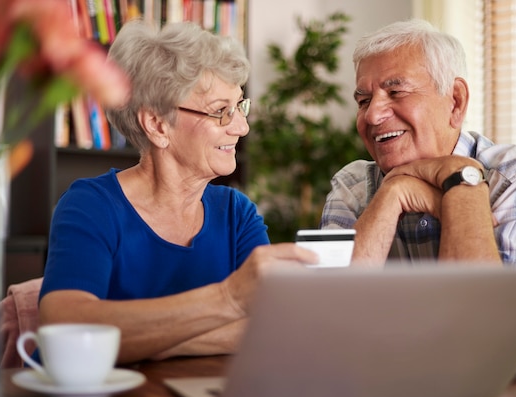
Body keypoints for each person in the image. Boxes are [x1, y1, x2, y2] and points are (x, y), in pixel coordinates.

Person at [320, 19, 516, 371]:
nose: (372, 115)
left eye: (396, 92)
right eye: (363, 100)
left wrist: (459, 182)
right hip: (425, 394)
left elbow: (485, 336)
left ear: (455, 101)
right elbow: (326, 323)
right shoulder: (353, 186)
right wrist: (394, 192)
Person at [37, 20, 317, 365]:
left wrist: (148, 341)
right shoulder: (91, 206)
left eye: (240, 106)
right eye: (220, 112)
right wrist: (227, 300)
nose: (241, 127)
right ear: (157, 124)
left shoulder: (236, 212)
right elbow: (66, 327)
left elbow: (272, 327)